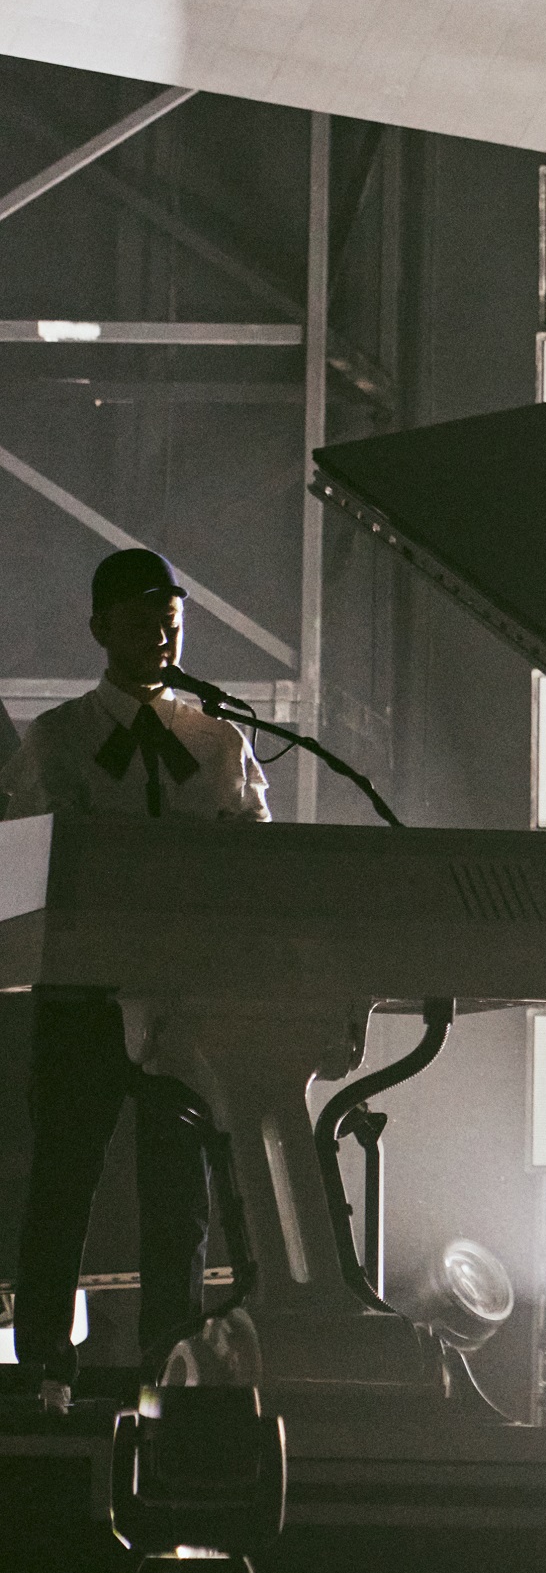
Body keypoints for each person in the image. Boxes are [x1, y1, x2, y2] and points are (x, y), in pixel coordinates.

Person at [0, 548, 265, 1407]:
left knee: (176, 1191)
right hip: (82, 995)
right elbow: (25, 857)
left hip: (180, 999)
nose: (161, 633)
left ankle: (172, 1366)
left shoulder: (218, 739)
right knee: (64, 1180)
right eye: (144, 617)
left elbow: (260, 853)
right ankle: (43, 1361)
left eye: (172, 619)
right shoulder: (60, 738)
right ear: (99, 627)